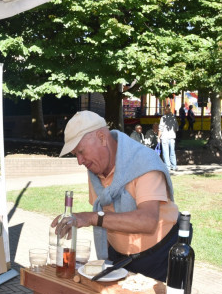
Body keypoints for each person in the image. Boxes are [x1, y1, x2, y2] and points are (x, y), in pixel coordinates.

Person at [52, 111, 181, 282]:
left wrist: (91, 218)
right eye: (76, 154)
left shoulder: (143, 162)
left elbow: (148, 221)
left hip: (159, 257)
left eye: (81, 151)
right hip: (119, 258)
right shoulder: (95, 168)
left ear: (102, 137)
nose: (79, 161)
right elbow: (105, 216)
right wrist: (105, 262)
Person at [159, 106, 178, 172]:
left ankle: (168, 167)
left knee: (165, 152)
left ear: (166, 111)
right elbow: (176, 128)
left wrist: (158, 137)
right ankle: (174, 166)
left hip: (164, 137)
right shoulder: (174, 118)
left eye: (164, 110)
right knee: (172, 152)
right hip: (172, 137)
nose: (164, 111)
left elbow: (160, 128)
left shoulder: (163, 118)